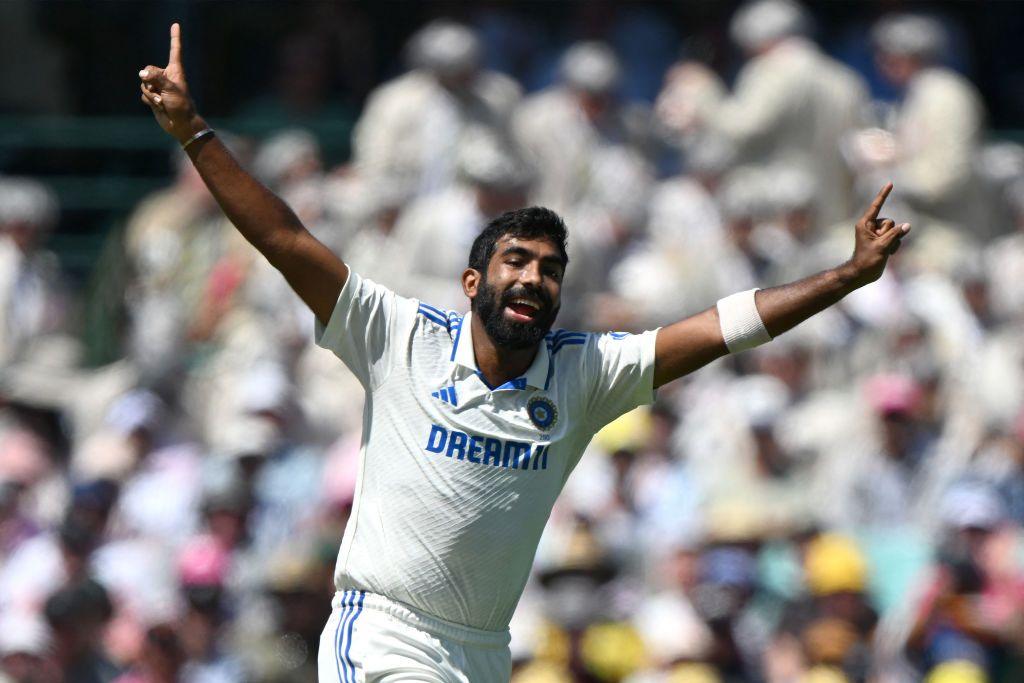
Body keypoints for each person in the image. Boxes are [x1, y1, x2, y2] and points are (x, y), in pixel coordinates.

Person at [139, 23, 910, 681]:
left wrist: (844, 277)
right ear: (473, 279)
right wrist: (196, 134)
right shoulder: (400, 336)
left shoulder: (582, 373)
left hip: (482, 651)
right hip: (382, 632)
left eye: (549, 269)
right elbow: (283, 238)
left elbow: (721, 326)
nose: (533, 278)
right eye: (516, 261)